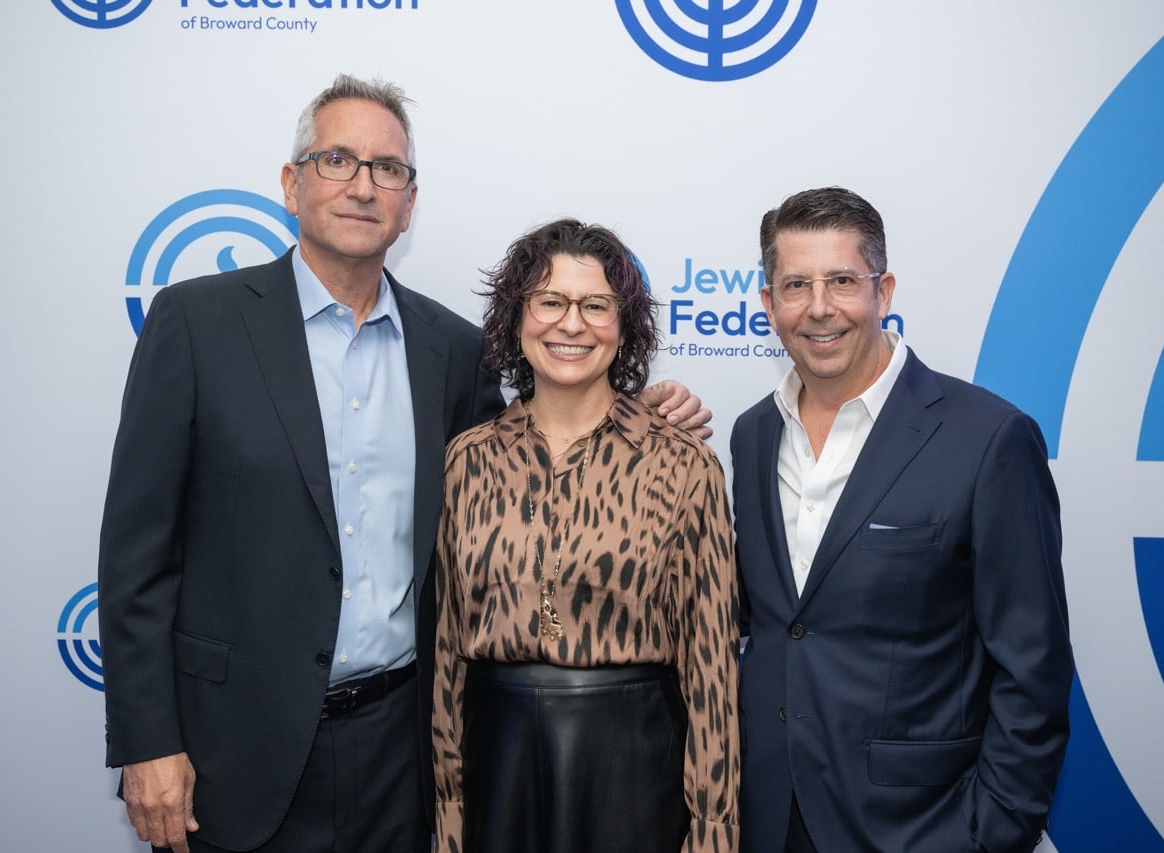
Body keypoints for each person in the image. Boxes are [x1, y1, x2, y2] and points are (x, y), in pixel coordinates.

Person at [97, 75, 709, 853]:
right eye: (337, 160)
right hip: (232, 750)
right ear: (291, 182)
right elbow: (137, 555)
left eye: (387, 168)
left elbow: (536, 455)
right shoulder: (196, 323)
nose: (363, 186)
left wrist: (636, 415)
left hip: (403, 753)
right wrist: (149, 740)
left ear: (410, 201)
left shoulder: (451, 350)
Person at [730, 187, 1073, 853]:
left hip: (921, 826)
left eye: (842, 281)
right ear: (769, 304)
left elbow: (1033, 667)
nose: (819, 307)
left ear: (882, 291)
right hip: (769, 818)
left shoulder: (988, 438)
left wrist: (990, 832)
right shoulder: (753, 435)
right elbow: (768, 620)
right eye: (796, 285)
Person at [431, 219, 741, 853]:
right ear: (517, 319)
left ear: (623, 327)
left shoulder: (683, 465)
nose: (571, 324)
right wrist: (449, 811)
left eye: (595, 305)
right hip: (498, 774)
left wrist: (714, 833)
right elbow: (447, 653)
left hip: (635, 774)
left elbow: (711, 668)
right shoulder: (468, 460)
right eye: (549, 301)